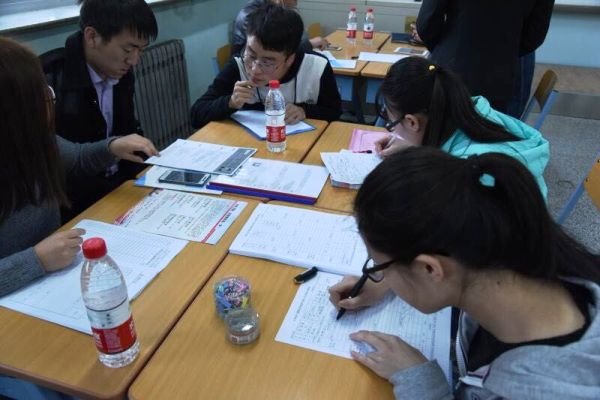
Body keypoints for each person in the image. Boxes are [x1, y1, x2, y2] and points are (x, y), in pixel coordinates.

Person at [329, 146, 600, 400]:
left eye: (379, 267)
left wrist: (424, 384)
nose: (379, 275)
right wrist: (390, 279)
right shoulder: (513, 253)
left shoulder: (540, 391)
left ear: (430, 269)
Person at [0, 37, 158, 299]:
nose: (49, 96)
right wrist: (36, 260)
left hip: (52, 280)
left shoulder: (34, 141)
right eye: (37, 93)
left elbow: (78, 159)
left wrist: (112, 146)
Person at [43, 0, 159, 220]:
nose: (134, 60)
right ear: (92, 37)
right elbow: (53, 164)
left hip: (121, 190)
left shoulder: (121, 71)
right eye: (128, 49)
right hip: (76, 207)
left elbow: (127, 130)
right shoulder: (49, 80)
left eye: (141, 50)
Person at [374, 56, 549, 197]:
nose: (393, 131)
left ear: (412, 122)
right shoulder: (473, 112)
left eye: (391, 124)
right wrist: (415, 150)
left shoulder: (470, 175)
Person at [191, 3, 341, 129]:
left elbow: (335, 113)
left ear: (289, 59)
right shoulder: (238, 65)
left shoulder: (317, 67)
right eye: (251, 55)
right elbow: (196, 115)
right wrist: (230, 102)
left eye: (267, 62)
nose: (255, 69)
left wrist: (305, 111)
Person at [416, 0, 555, 115]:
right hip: (500, 76)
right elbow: (535, 33)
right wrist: (503, 53)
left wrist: (444, 49)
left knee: (443, 134)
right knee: (490, 133)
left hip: (450, 71)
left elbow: (427, 22)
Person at [231, 0, 329, 57]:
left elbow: (300, 37)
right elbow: (275, 50)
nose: (297, 2)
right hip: (249, 74)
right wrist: (310, 44)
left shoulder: (279, 9)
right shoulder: (250, 15)